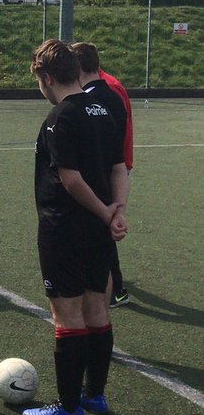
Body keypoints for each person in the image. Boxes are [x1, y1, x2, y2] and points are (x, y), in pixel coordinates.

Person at [25, 40, 128, 415]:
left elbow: (70, 179)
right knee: (97, 307)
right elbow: (119, 167)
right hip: (98, 230)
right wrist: (118, 212)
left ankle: (69, 407)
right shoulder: (107, 107)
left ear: (47, 77)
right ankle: (95, 395)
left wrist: (106, 212)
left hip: (64, 229)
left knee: (67, 315)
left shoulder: (60, 117)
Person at [71, 42, 133, 307]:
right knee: (104, 230)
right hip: (111, 172)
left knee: (98, 233)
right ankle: (112, 287)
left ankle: (114, 288)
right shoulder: (112, 94)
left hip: (99, 175)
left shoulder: (92, 99)